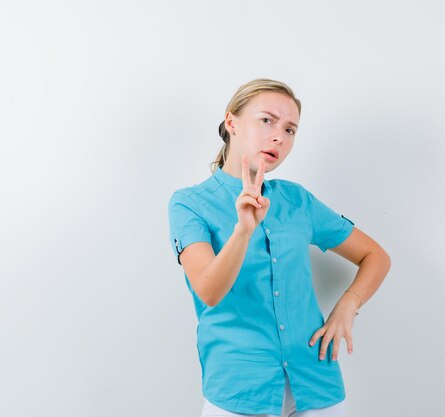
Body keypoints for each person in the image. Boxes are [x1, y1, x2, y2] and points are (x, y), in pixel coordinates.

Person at [167, 78, 391, 417]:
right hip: (240, 390)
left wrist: (349, 304)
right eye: (267, 120)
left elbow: (375, 256)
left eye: (290, 130)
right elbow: (208, 291)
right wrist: (243, 231)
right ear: (232, 123)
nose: (279, 137)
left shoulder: (297, 200)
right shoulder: (190, 204)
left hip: (317, 382)